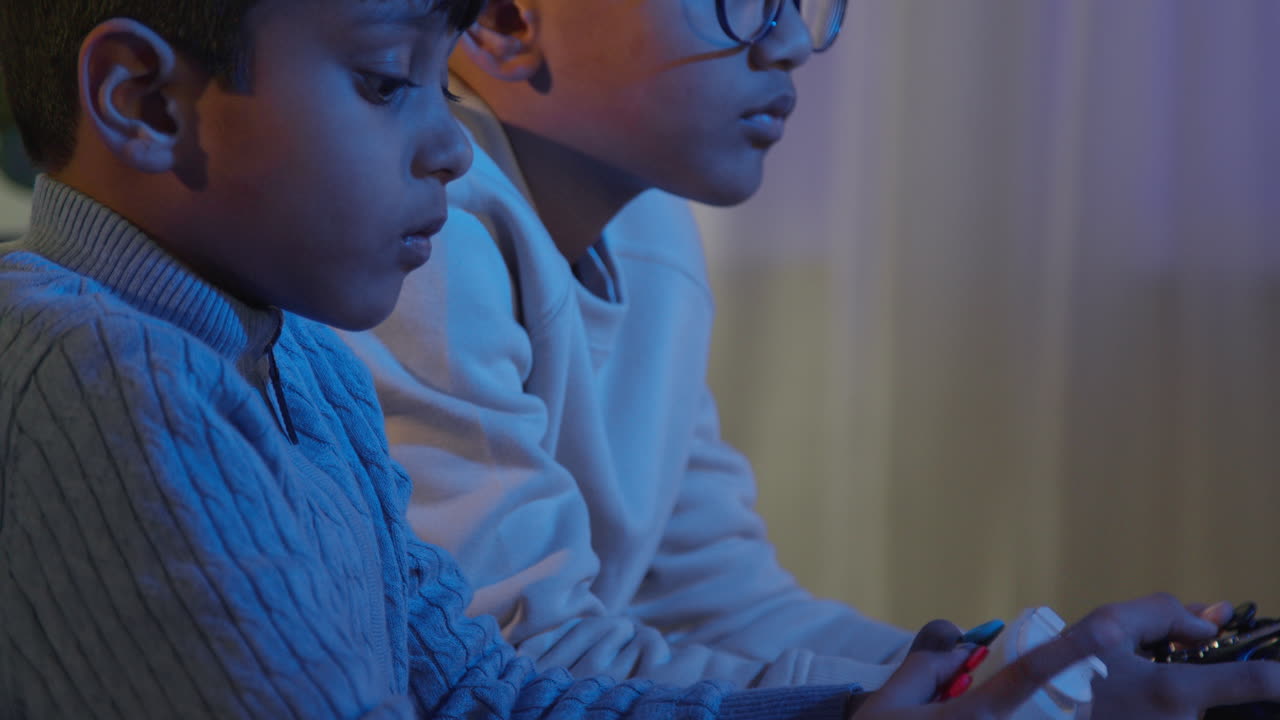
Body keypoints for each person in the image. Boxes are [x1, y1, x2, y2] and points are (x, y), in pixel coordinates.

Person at [0, 0, 1178, 718]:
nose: (449, 154)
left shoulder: (294, 349)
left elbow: (482, 687)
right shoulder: (119, 372)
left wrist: (939, 688)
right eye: (381, 83)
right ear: (141, 96)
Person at [338, 0, 1280, 712]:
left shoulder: (654, 230)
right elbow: (517, 659)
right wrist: (1014, 697)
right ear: (505, 22)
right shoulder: (426, 235)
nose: (789, 41)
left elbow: (722, 601)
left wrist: (1017, 670)